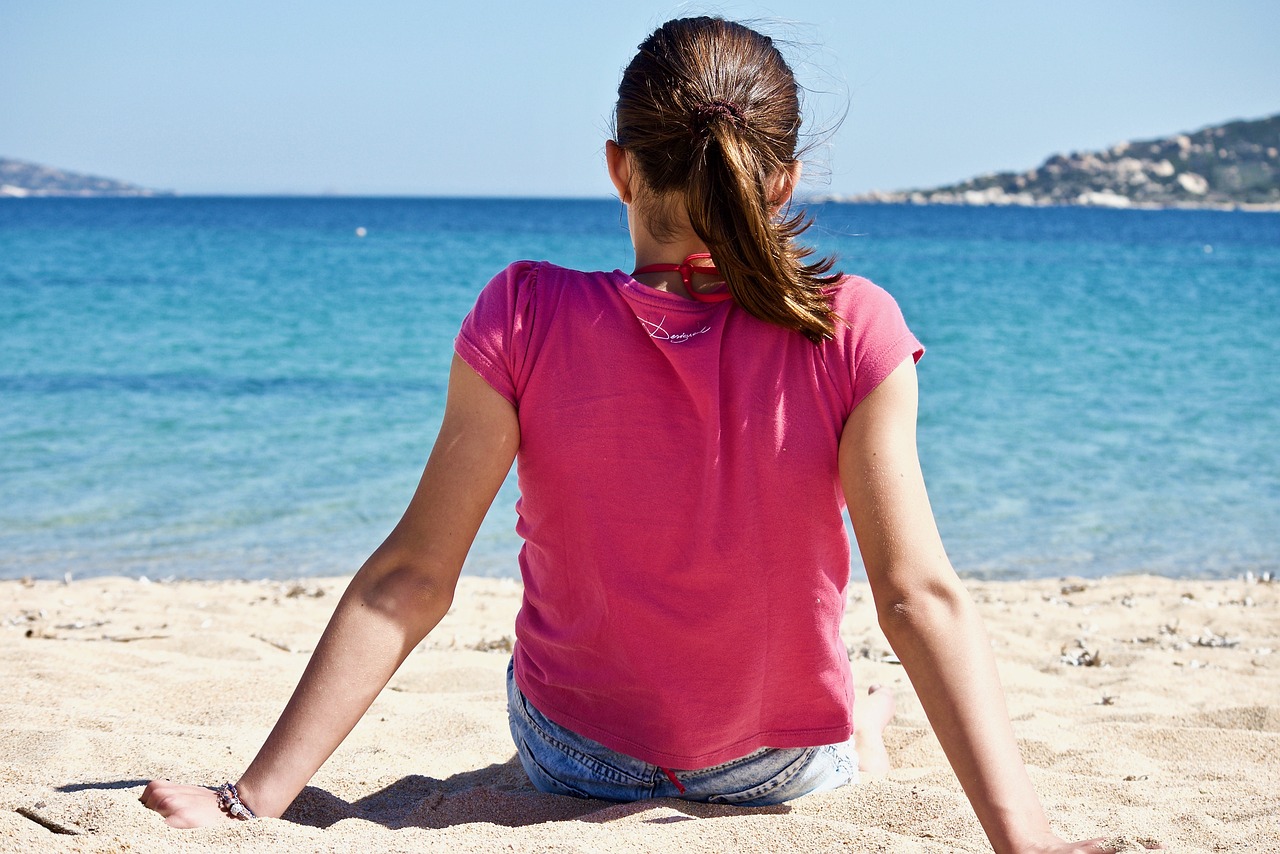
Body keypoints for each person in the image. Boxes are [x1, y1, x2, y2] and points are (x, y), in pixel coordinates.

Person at [143, 17, 1153, 853]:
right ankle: (860, 728)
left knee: (684, 690)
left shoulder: (523, 311)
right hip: (769, 768)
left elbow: (409, 579)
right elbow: (913, 593)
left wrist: (247, 801)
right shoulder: (853, 326)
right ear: (782, 181)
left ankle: (860, 724)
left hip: (571, 757)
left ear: (619, 169)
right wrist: (1024, 844)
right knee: (841, 726)